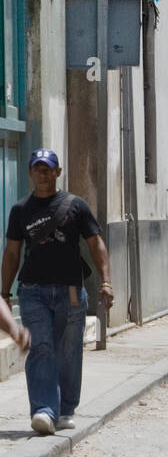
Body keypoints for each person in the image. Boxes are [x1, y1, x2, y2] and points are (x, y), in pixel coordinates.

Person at [1, 149, 113, 436]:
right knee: (41, 348)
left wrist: (106, 282)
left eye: (48, 169)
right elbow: (12, 253)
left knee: (68, 351)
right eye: (38, 169)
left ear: (57, 172)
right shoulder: (20, 211)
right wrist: (4, 292)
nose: (43, 174)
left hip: (71, 292)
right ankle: (43, 410)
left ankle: (64, 409)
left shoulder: (76, 206)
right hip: (32, 291)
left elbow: (95, 243)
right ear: (30, 173)